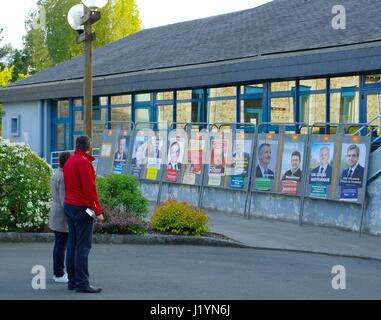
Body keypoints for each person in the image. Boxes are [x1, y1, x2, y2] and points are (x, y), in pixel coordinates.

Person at [64, 136, 104, 294]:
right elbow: (90, 190)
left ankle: (72, 281)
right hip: (82, 208)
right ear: (89, 147)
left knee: (72, 244)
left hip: (69, 206)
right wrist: (99, 212)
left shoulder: (70, 161)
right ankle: (82, 283)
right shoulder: (84, 163)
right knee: (83, 247)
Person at [49, 152, 71, 284]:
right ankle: (59, 273)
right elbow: (64, 200)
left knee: (59, 244)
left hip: (55, 211)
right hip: (61, 215)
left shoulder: (56, 173)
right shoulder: (63, 177)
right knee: (61, 245)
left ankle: (58, 272)